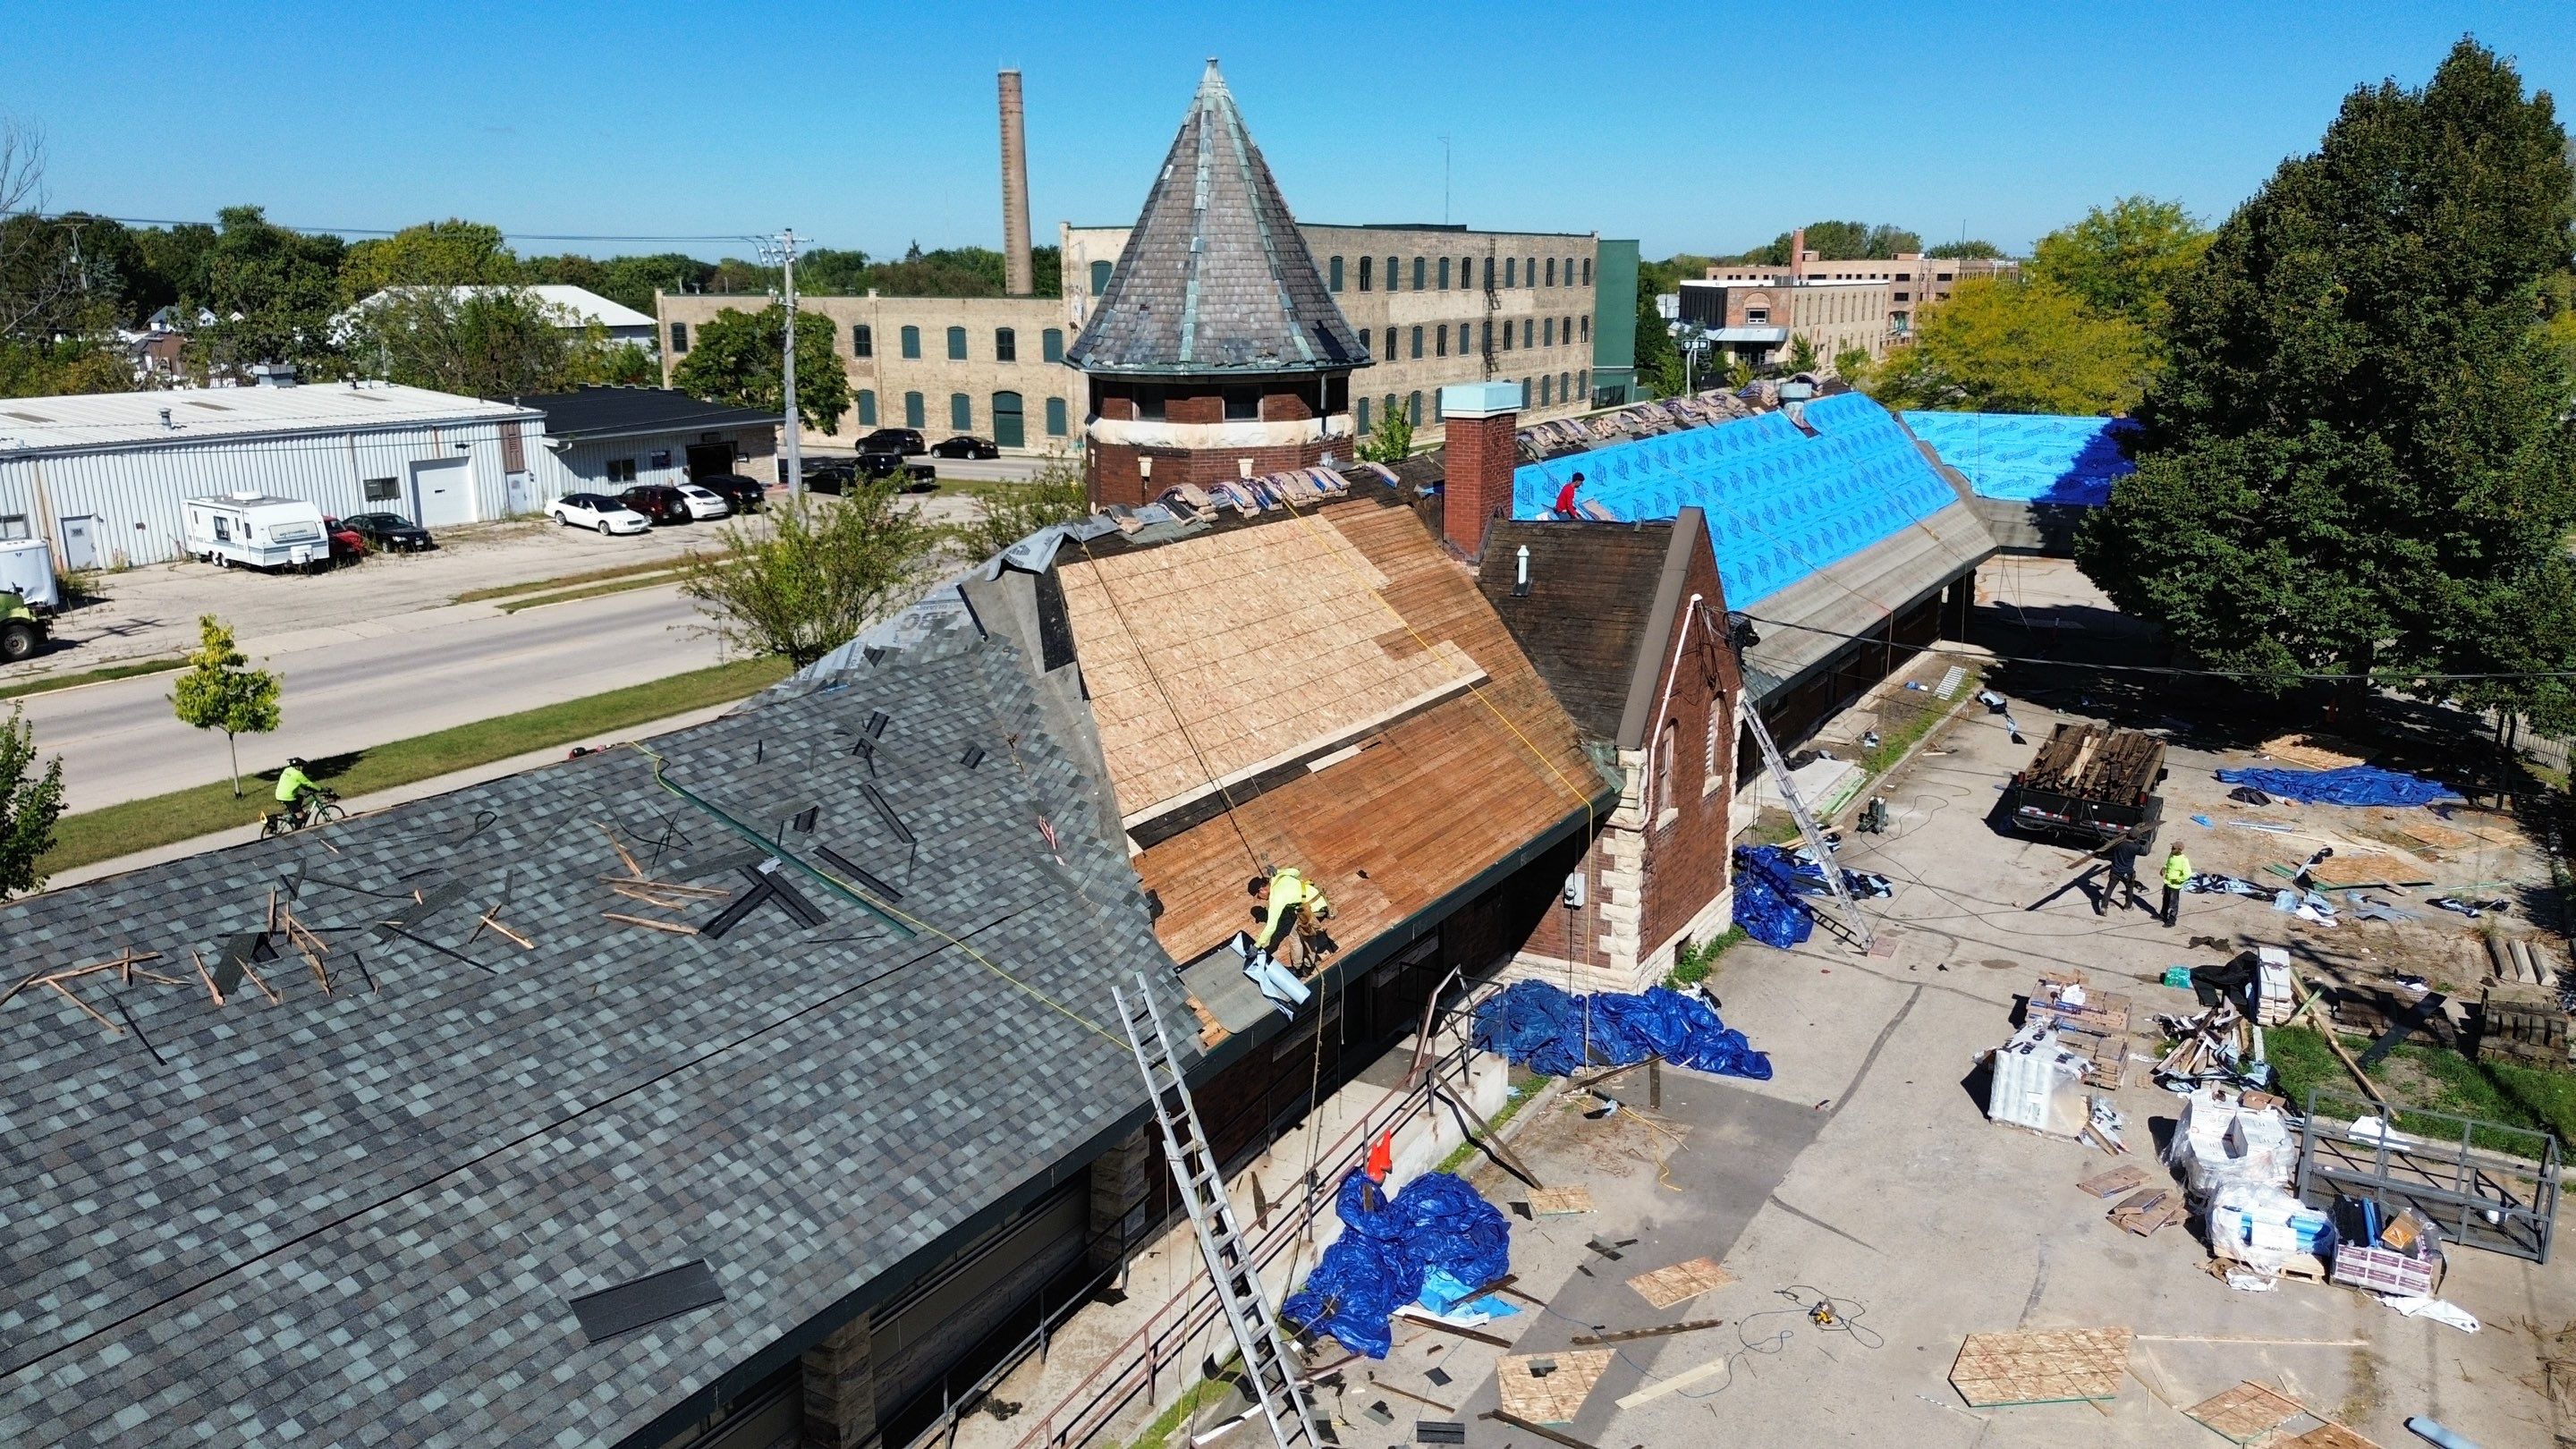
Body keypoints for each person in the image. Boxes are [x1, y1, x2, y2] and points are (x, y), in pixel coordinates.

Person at [2098, 833, 2146, 916]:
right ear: (2136, 837)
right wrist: (2137, 842)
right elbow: (2142, 851)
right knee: (2129, 888)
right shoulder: (2135, 847)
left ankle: (2103, 907)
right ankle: (2127, 907)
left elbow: (2110, 848)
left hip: (2115, 871)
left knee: (2109, 889)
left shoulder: (2119, 844)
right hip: (2127, 873)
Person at [275, 757, 326, 823]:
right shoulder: (298, 774)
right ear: (297, 766)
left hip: (279, 794)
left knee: (300, 797)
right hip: (288, 797)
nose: (302, 768)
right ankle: (298, 824)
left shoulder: (287, 770)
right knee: (301, 816)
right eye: (301, 766)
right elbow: (309, 784)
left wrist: (306, 789)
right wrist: (321, 789)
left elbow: (299, 782)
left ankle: (295, 814)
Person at [2161, 843, 2194, 928]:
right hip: (2167, 882)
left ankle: (2172, 921)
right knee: (2165, 900)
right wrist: (2164, 867)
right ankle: (2163, 915)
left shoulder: (2183, 860)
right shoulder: (2171, 855)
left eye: (2174, 848)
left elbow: (2188, 874)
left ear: (2179, 850)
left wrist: (2178, 880)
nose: (2172, 849)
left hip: (2175, 886)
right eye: (2172, 847)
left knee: (2173, 904)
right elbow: (2168, 863)